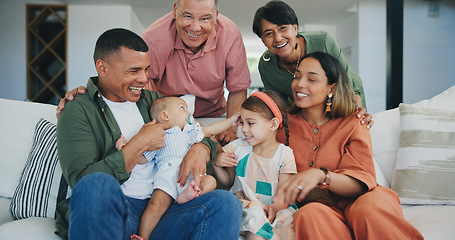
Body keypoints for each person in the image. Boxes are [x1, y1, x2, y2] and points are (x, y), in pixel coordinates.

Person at [55, 28, 242, 240]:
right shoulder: (78, 109)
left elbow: (193, 129)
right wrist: (139, 143)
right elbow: (83, 185)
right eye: (134, 70)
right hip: (115, 213)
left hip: (163, 213)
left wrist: (201, 149)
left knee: (226, 203)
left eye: (146, 69)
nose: (144, 78)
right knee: (95, 184)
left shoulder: (152, 100)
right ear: (102, 68)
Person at [57, 0, 251, 145]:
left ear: (216, 15)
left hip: (213, 114)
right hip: (167, 116)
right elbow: (133, 83)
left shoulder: (230, 34)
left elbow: (238, 87)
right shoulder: (154, 38)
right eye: (187, 16)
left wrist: (231, 129)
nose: (195, 27)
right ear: (175, 9)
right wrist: (88, 96)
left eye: (205, 18)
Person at [274, 52, 423, 239]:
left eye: (311, 79)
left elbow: (362, 181)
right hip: (320, 208)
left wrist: (321, 175)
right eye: (297, 76)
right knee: (308, 215)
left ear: (332, 89)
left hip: (363, 198)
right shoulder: (282, 126)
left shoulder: (354, 122)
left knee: (370, 211)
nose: (300, 84)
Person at [115, 96, 240, 240]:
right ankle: (143, 237)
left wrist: (231, 121)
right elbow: (142, 158)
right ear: (165, 116)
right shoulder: (159, 137)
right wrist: (125, 148)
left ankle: (189, 195)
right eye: (182, 108)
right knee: (155, 205)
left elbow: (211, 130)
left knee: (211, 181)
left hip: (192, 180)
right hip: (167, 178)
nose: (188, 113)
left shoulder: (191, 132)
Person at [214, 91, 297, 240]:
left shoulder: (284, 154)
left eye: (250, 123)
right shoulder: (237, 147)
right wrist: (217, 162)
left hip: (274, 209)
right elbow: (228, 180)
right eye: (242, 122)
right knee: (255, 222)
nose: (244, 129)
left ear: (273, 124)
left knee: (286, 227)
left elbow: (285, 193)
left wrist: (275, 207)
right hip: (245, 208)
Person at [252, 0, 366, 109]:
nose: (278, 38)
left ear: (295, 29)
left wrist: (354, 102)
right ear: (263, 40)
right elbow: (279, 105)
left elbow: (346, 86)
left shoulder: (324, 41)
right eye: (269, 34)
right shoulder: (266, 65)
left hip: (345, 90)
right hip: (305, 108)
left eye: (283, 28)